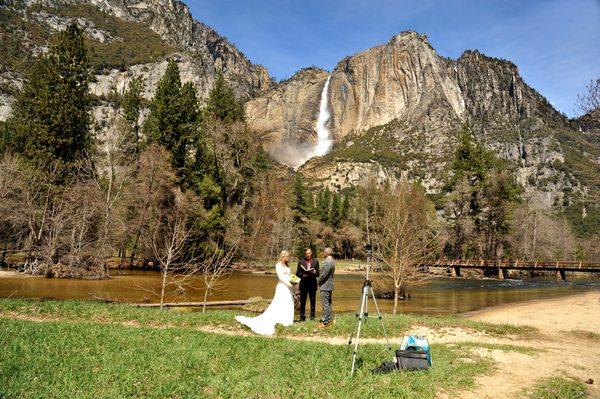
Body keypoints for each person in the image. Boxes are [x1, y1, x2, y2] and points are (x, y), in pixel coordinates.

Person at [235, 250, 294, 335]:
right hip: (282, 286)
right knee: (280, 302)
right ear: (283, 256)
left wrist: (293, 280)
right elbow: (280, 276)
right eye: (287, 256)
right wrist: (289, 284)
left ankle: (287, 320)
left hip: (288, 287)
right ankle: (279, 319)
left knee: (288, 302)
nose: (288, 258)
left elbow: (289, 275)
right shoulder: (278, 265)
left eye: (288, 256)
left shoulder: (286, 265)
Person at [295, 247, 320, 321]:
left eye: (309, 253)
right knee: (303, 301)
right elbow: (297, 273)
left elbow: (318, 274)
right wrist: (302, 275)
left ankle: (312, 316)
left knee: (313, 300)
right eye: (306, 253)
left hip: (312, 283)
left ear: (311, 253)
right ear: (305, 254)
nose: (308, 255)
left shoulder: (316, 261)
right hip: (303, 284)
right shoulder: (301, 261)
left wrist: (314, 272)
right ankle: (302, 317)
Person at [317, 247, 335, 326]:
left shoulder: (328, 262)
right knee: (328, 303)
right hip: (329, 285)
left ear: (327, 253)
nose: (323, 253)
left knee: (325, 304)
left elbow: (324, 275)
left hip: (325, 285)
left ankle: (325, 321)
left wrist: (317, 282)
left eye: (324, 251)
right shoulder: (331, 260)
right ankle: (329, 319)